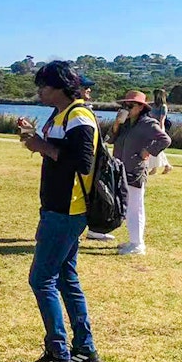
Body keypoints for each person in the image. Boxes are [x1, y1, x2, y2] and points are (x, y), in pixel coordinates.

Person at [16, 62, 101, 362]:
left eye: (44, 86)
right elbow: (58, 151)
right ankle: (84, 347)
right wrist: (33, 137)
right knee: (66, 277)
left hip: (66, 210)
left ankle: (58, 353)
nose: (39, 91)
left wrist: (42, 147)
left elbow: (82, 161)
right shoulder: (63, 115)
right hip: (59, 208)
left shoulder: (79, 115)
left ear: (61, 87)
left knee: (41, 279)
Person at [108, 91, 171, 256]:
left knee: (135, 207)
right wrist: (116, 125)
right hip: (121, 169)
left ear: (141, 107)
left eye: (130, 105)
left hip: (134, 170)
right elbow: (110, 139)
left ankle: (137, 244)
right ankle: (134, 241)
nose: (126, 108)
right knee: (129, 206)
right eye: (124, 105)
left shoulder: (148, 123)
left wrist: (147, 151)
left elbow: (165, 139)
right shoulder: (125, 124)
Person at [79, 76, 115, 243]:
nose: (89, 90)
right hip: (83, 167)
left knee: (97, 196)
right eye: (85, 86)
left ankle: (95, 229)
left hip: (95, 164)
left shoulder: (85, 109)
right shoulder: (74, 111)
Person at [147, 88, 174, 175]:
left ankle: (156, 168)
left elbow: (162, 120)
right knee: (155, 148)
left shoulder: (163, 107)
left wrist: (161, 132)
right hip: (151, 128)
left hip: (158, 128)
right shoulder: (152, 105)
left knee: (156, 148)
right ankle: (166, 166)